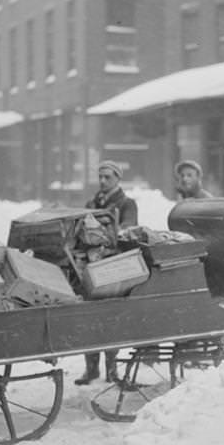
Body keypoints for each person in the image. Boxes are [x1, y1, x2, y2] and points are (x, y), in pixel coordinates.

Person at [74, 160, 139, 385]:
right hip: (91, 267)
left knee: (110, 318)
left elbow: (127, 231)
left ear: (118, 179)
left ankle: (112, 371)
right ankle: (91, 370)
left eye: (107, 177)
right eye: (100, 176)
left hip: (114, 266)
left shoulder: (127, 204)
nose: (102, 181)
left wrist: (103, 234)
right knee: (90, 317)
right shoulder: (91, 202)